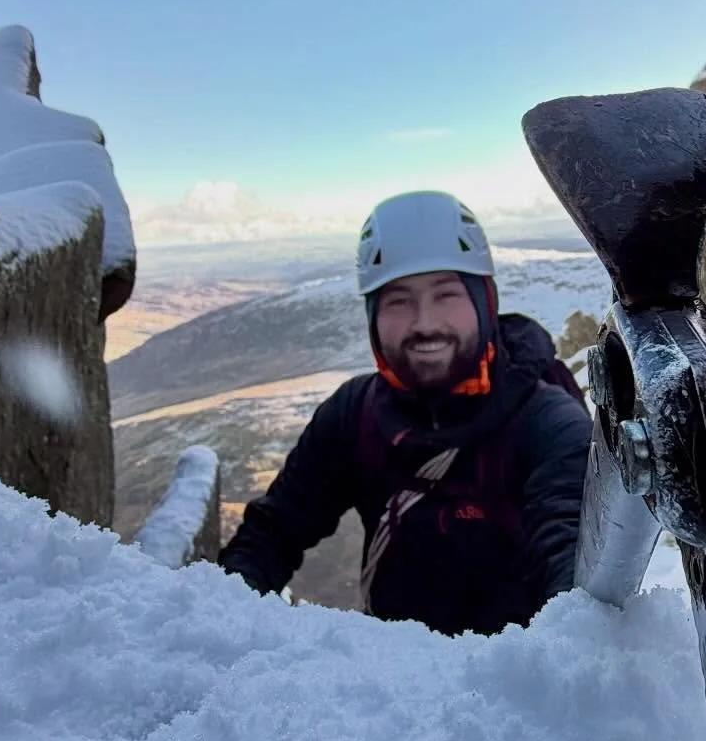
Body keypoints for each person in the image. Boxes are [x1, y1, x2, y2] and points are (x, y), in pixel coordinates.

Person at [218, 191, 595, 635]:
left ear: (484, 302)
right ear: (373, 316)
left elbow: (573, 561)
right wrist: (221, 620)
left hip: (511, 689)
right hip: (388, 686)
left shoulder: (547, 424)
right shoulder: (354, 414)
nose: (424, 323)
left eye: (446, 295)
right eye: (398, 300)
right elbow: (273, 532)